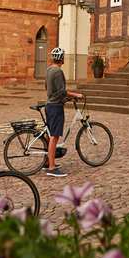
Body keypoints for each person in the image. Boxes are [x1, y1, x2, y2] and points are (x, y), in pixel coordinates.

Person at [44, 47, 82, 177]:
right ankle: (51, 167)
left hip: (49, 104)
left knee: (51, 136)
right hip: (55, 107)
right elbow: (61, 91)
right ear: (61, 58)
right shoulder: (58, 71)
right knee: (54, 137)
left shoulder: (49, 69)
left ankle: (49, 160)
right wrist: (75, 95)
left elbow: (48, 88)